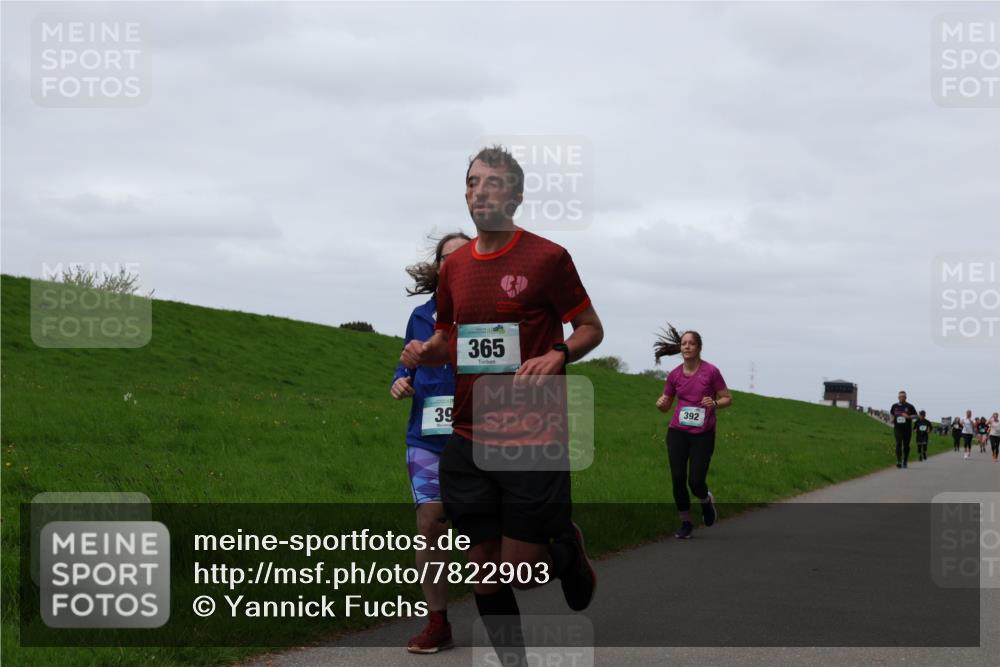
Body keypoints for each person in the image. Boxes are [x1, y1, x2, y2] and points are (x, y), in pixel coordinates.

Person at [399, 146, 604, 664]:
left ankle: (565, 546)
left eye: (492, 183)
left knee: (522, 571)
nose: (479, 191)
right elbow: (448, 337)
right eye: (471, 182)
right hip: (467, 436)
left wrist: (559, 353)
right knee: (483, 566)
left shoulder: (548, 258)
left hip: (532, 435)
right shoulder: (456, 269)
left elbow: (590, 329)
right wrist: (426, 352)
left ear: (515, 194)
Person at [390, 231, 470, 653]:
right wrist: (400, 381)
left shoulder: (490, 315)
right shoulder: (421, 315)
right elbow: (404, 365)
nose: (455, 265)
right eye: (447, 259)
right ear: (439, 268)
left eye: (465, 256)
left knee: (490, 534)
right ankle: (437, 622)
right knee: (430, 525)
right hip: (427, 435)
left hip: (478, 434)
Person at [654, 325, 732, 539]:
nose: (687, 346)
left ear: (699, 347)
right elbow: (666, 405)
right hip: (677, 432)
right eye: (684, 343)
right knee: (678, 478)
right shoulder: (674, 375)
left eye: (691, 343)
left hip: (703, 435)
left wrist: (714, 403)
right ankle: (686, 522)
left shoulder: (711, 372)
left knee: (695, 482)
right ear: (681, 348)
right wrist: (661, 404)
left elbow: (728, 397)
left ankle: (706, 501)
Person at [889, 390, 918, 468]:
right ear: (898, 397)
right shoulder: (894, 406)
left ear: (906, 397)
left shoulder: (910, 406)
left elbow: (916, 416)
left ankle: (905, 461)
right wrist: (891, 419)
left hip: (907, 429)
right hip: (897, 428)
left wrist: (908, 417)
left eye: (903, 396)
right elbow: (891, 414)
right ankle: (899, 461)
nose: (901, 398)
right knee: (898, 443)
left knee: (906, 446)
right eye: (900, 396)